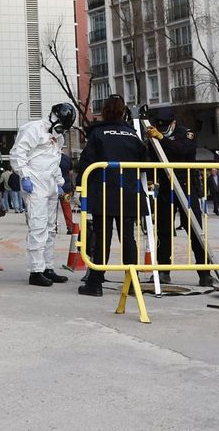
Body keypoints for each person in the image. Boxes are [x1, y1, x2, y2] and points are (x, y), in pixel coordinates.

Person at [77, 97, 148, 296]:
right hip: (129, 191)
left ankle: (96, 283)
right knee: (127, 238)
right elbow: (145, 159)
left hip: (104, 192)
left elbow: (86, 163)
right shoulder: (132, 134)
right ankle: (133, 282)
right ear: (123, 111)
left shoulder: (98, 133)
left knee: (102, 238)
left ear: (105, 111)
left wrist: (80, 187)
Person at [145, 106, 213, 287]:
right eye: (159, 127)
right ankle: (163, 271)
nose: (162, 129)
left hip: (187, 187)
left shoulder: (186, 134)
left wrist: (161, 139)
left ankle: (204, 273)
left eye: (165, 126)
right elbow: (152, 157)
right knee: (164, 231)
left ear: (173, 123)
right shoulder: (155, 136)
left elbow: (182, 151)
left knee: (195, 230)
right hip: (166, 188)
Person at [10, 102, 76, 287]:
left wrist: (60, 183)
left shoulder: (58, 138)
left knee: (51, 228)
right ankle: (36, 271)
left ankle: (48, 267)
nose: (61, 130)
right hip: (34, 185)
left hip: (50, 185)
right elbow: (17, 154)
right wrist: (24, 176)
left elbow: (54, 162)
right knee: (38, 227)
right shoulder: (33, 129)